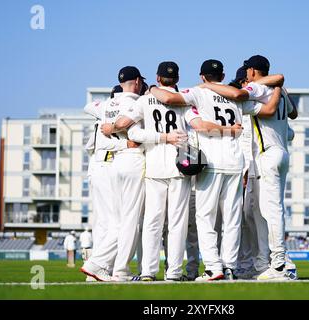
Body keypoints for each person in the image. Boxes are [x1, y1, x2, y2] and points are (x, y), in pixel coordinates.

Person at [112, 61, 242, 281]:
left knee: (152, 223)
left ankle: (148, 272)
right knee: (177, 224)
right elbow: (200, 125)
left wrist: (111, 126)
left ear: (157, 78)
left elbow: (124, 124)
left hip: (154, 168)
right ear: (178, 79)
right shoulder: (184, 102)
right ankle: (173, 272)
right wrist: (229, 130)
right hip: (180, 167)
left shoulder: (145, 100)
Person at [148, 59, 253, 281]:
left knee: (205, 217)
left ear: (202, 76)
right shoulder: (235, 95)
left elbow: (168, 98)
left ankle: (213, 268)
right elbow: (263, 107)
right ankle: (230, 267)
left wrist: (152, 88)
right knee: (232, 219)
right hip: (235, 162)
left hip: (212, 164)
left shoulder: (198, 92)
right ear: (223, 76)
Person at [199, 55, 298, 281]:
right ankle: (267, 262)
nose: (245, 77)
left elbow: (238, 94)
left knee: (271, 211)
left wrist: (207, 85)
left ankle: (281, 264)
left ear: (253, 71)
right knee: (263, 212)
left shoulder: (257, 88)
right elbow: (293, 114)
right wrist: (280, 90)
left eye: (247, 72)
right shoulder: (278, 91)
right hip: (280, 152)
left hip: (267, 155)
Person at [81, 66, 146, 282]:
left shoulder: (106, 105)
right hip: (124, 160)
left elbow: (88, 106)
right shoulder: (137, 103)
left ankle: (103, 268)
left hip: (108, 166)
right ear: (137, 81)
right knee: (125, 222)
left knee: (107, 222)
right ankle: (101, 265)